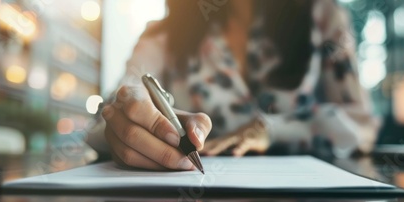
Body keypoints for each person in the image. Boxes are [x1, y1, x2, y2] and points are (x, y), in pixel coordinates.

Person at [89, 0, 380, 170]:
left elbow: (361, 126)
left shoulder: (323, 17)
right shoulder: (163, 36)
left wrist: (273, 130)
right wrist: (126, 116)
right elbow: (107, 117)